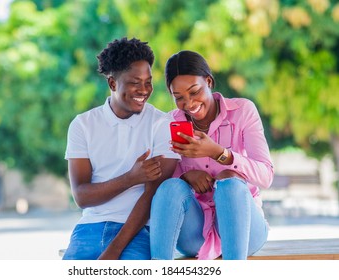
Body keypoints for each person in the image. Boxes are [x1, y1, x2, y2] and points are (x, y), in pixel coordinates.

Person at [62, 37, 180, 260]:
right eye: (135, 82)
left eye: (148, 82)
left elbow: (153, 195)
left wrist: (113, 251)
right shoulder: (83, 125)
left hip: (137, 231)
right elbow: (82, 196)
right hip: (89, 229)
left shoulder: (162, 124)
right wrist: (131, 178)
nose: (144, 90)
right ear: (112, 84)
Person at [150, 50, 274, 260]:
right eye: (178, 97)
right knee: (169, 187)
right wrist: (185, 177)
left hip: (245, 231)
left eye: (194, 91)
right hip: (195, 233)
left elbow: (266, 176)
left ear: (209, 81)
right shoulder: (170, 123)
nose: (188, 103)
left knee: (231, 184)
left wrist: (220, 153)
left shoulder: (243, 111)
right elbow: (164, 191)